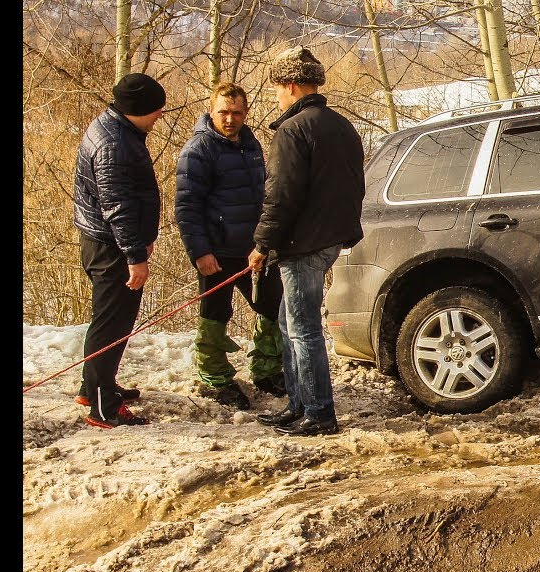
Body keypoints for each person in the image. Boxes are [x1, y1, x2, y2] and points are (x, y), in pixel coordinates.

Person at [249, 47, 365, 437]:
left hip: (302, 243)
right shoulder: (341, 125)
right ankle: (298, 405)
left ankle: (318, 413)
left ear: (292, 86)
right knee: (289, 322)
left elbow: (281, 194)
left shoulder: (292, 130)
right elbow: (354, 185)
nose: (276, 96)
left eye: (277, 89)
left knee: (303, 330)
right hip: (330, 237)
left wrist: (263, 243)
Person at [175, 82, 286, 411]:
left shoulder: (251, 144)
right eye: (223, 112)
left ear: (246, 113)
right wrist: (200, 252)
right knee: (215, 313)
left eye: (237, 112)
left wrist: (265, 241)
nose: (230, 119)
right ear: (212, 111)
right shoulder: (198, 149)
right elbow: (186, 207)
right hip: (217, 250)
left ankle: (265, 370)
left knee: (270, 306)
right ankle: (214, 377)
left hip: (254, 249)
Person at [71, 72, 167, 428]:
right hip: (110, 246)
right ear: (137, 109)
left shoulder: (117, 130)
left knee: (109, 319)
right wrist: (135, 256)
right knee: (111, 323)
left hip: (105, 240)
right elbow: (118, 205)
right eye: (156, 109)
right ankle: (103, 406)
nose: (160, 115)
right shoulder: (114, 143)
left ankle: (95, 385)